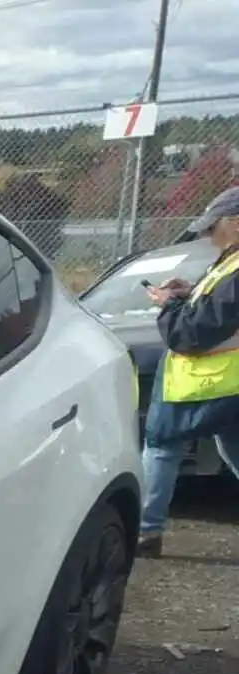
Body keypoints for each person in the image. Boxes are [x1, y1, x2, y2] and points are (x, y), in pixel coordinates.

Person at [136, 185, 239, 557]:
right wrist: (191, 291)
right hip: (228, 384)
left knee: (162, 448)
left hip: (208, 383)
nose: (209, 236)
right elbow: (222, 308)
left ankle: (144, 533)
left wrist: (167, 305)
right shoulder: (231, 261)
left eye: (214, 228)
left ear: (236, 224)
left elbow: (191, 334)